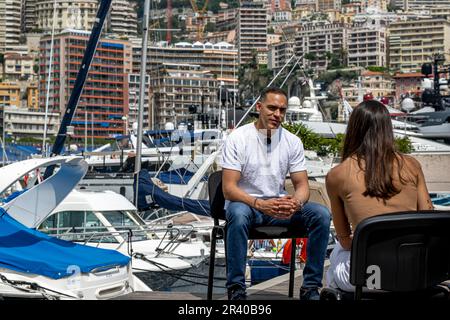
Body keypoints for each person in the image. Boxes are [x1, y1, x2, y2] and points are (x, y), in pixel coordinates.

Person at [221, 87, 331, 300]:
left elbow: (302, 186)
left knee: (321, 214)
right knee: (237, 213)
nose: (277, 114)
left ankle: (310, 288)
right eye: (272, 108)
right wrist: (260, 204)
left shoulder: (292, 141)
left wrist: (296, 203)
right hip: (248, 205)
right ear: (259, 107)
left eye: (282, 110)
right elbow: (229, 189)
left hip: (279, 205)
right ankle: (236, 289)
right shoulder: (238, 138)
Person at [325, 100, 434, 292]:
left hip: (369, 278)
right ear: (387, 128)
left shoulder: (337, 175)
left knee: (336, 255)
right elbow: (427, 216)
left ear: (353, 129)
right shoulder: (412, 165)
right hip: (412, 274)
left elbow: (345, 241)